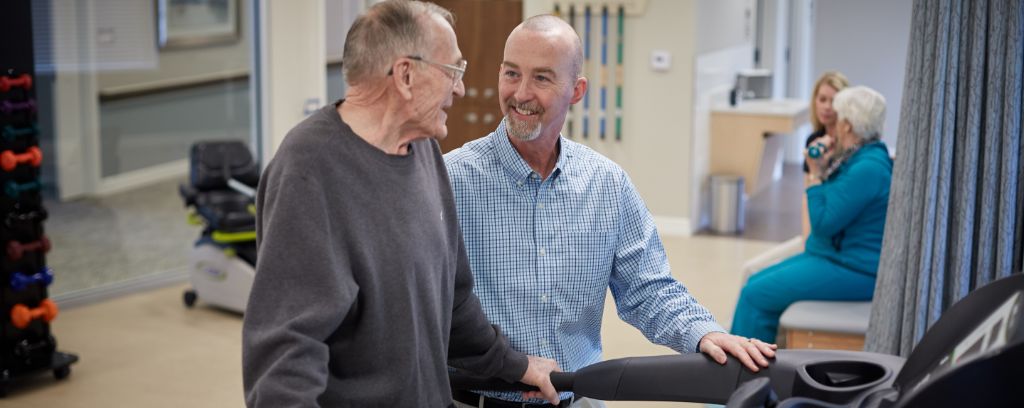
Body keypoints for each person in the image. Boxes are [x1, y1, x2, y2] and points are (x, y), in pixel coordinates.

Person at [444, 15, 776, 407]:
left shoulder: (606, 184)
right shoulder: (451, 180)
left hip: (578, 398)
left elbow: (648, 289)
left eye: (543, 78)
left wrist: (704, 333)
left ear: (577, 89)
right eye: (512, 74)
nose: (521, 93)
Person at [242, 2, 561, 406]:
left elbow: (454, 301)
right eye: (453, 72)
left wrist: (514, 365)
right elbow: (286, 354)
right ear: (406, 75)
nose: (460, 88)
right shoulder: (309, 170)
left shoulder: (423, 149)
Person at [731, 86, 892, 344]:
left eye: (838, 118)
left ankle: (743, 374)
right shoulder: (861, 158)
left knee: (755, 295)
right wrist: (825, 166)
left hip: (852, 269)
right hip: (832, 257)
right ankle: (751, 361)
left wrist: (816, 175)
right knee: (754, 280)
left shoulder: (868, 168)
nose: (834, 123)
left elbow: (823, 223)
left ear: (847, 126)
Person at [801, 72, 850, 236]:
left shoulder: (851, 144)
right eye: (822, 99)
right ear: (815, 101)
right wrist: (806, 239)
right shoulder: (813, 141)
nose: (827, 107)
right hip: (818, 221)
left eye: (834, 101)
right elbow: (808, 191)